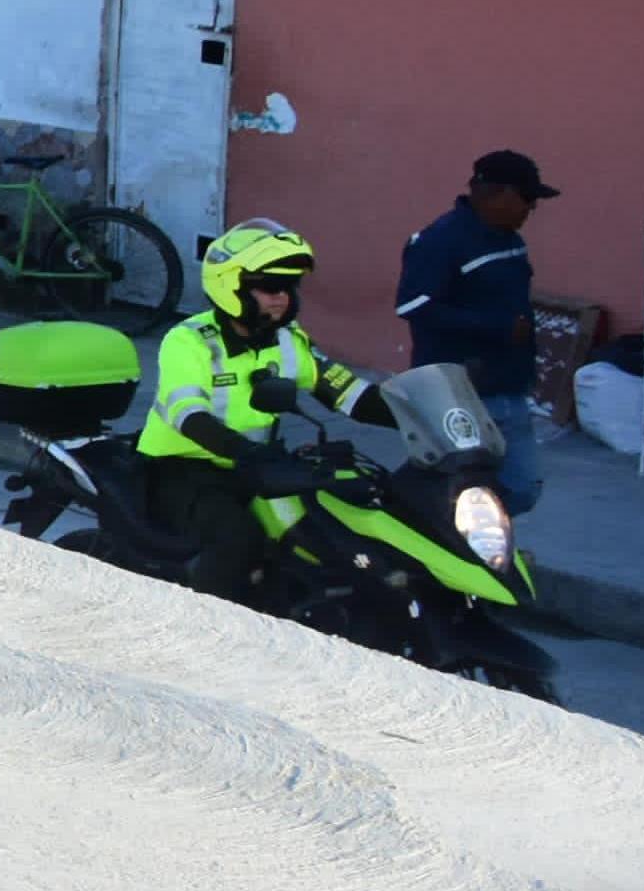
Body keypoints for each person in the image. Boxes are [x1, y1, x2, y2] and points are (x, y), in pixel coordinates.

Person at [136, 218, 389, 590]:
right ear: (230, 287)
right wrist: (245, 452)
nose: (282, 297)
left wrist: (419, 415)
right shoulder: (190, 341)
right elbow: (187, 415)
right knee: (238, 541)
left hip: (257, 465)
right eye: (270, 287)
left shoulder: (288, 339)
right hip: (183, 469)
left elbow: (349, 393)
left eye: (289, 286)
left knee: (328, 531)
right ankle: (206, 628)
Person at [399, 149, 556, 514]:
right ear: (496, 194)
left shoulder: (509, 238)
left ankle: (478, 546)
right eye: (527, 199)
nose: (531, 209)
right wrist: (495, 327)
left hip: (508, 384)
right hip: (460, 389)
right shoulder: (442, 240)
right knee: (458, 488)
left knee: (520, 487)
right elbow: (412, 306)